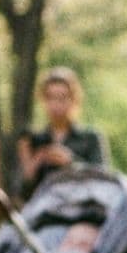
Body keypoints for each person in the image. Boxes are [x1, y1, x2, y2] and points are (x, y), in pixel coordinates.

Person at [18, 67, 112, 199]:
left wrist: (71, 163)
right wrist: (33, 165)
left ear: (74, 100)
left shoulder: (91, 138)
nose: (56, 104)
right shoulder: (33, 140)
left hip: (82, 210)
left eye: (62, 98)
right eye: (50, 97)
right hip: (42, 213)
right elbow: (21, 195)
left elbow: (105, 182)